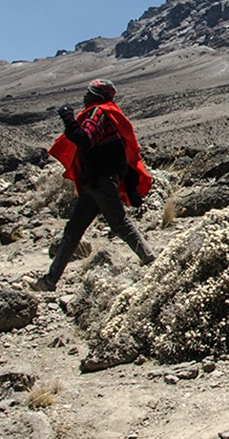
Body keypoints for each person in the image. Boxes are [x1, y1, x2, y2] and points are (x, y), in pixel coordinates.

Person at [30, 79, 155, 292]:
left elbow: (85, 139)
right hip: (97, 183)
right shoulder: (110, 114)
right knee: (74, 230)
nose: (84, 97)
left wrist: (68, 117)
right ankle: (49, 280)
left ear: (96, 95)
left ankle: (151, 261)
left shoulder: (97, 113)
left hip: (99, 181)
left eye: (88, 93)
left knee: (119, 224)